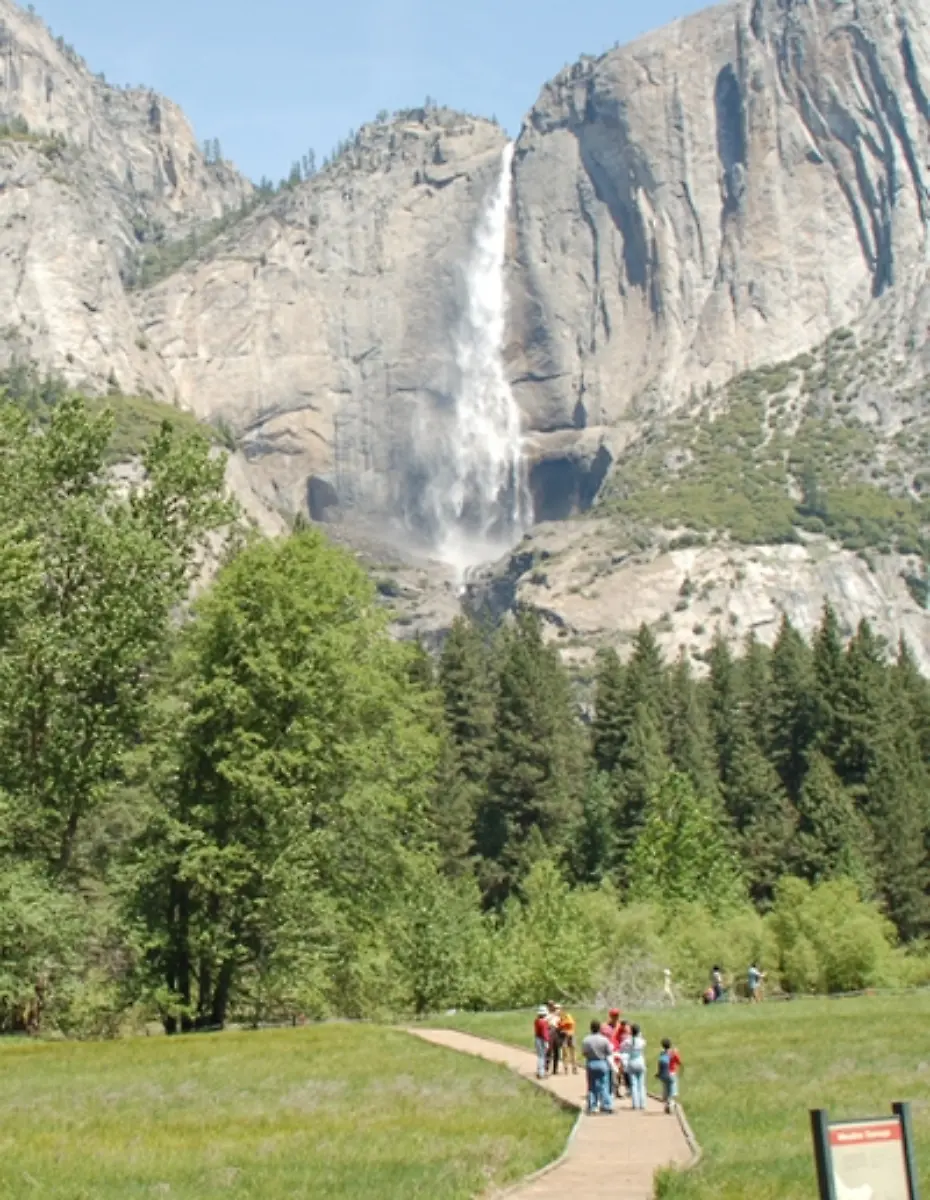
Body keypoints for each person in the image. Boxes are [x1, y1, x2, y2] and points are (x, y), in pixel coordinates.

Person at [581, 1019, 614, 1114]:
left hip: (591, 1063)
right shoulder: (604, 1040)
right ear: (599, 1028)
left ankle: (593, 1106)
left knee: (592, 1086)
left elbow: (584, 1052)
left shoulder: (586, 1040)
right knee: (604, 1085)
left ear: (591, 1028)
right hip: (602, 1063)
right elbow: (609, 1052)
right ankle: (606, 1105)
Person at [657, 1037, 681, 1114]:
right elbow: (679, 1061)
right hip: (671, 1073)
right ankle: (671, 1104)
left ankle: (667, 1104)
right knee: (672, 1090)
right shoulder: (673, 1053)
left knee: (665, 1089)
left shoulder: (662, 1053)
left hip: (664, 1074)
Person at [627, 1022, 647, 1110]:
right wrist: (640, 1036)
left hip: (632, 1062)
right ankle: (642, 1104)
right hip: (640, 1061)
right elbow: (643, 1043)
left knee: (633, 1084)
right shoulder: (641, 1041)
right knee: (641, 1084)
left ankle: (635, 1104)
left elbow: (623, 1047)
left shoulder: (628, 1041)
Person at [558, 1007, 578, 1074]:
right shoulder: (560, 1019)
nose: (559, 1013)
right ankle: (566, 1068)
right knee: (565, 1053)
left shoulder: (568, 1017)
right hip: (565, 1036)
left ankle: (574, 1068)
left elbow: (570, 1023)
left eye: (560, 1012)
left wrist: (563, 1028)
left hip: (570, 1036)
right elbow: (559, 1028)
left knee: (572, 1053)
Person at [533, 1005, 550, 1080]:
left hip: (537, 1038)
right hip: (542, 1040)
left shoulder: (537, 1021)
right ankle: (541, 1073)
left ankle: (539, 1071)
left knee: (540, 1056)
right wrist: (546, 1041)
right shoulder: (543, 1022)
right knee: (542, 1057)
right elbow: (545, 1033)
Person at [546, 1001, 562, 1076]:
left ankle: (555, 1069)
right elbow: (546, 1021)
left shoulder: (557, 1015)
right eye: (550, 1005)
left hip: (556, 1031)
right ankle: (546, 1066)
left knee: (556, 1050)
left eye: (553, 1005)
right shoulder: (547, 1014)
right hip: (549, 1030)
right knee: (549, 1050)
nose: (552, 1007)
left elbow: (560, 1022)